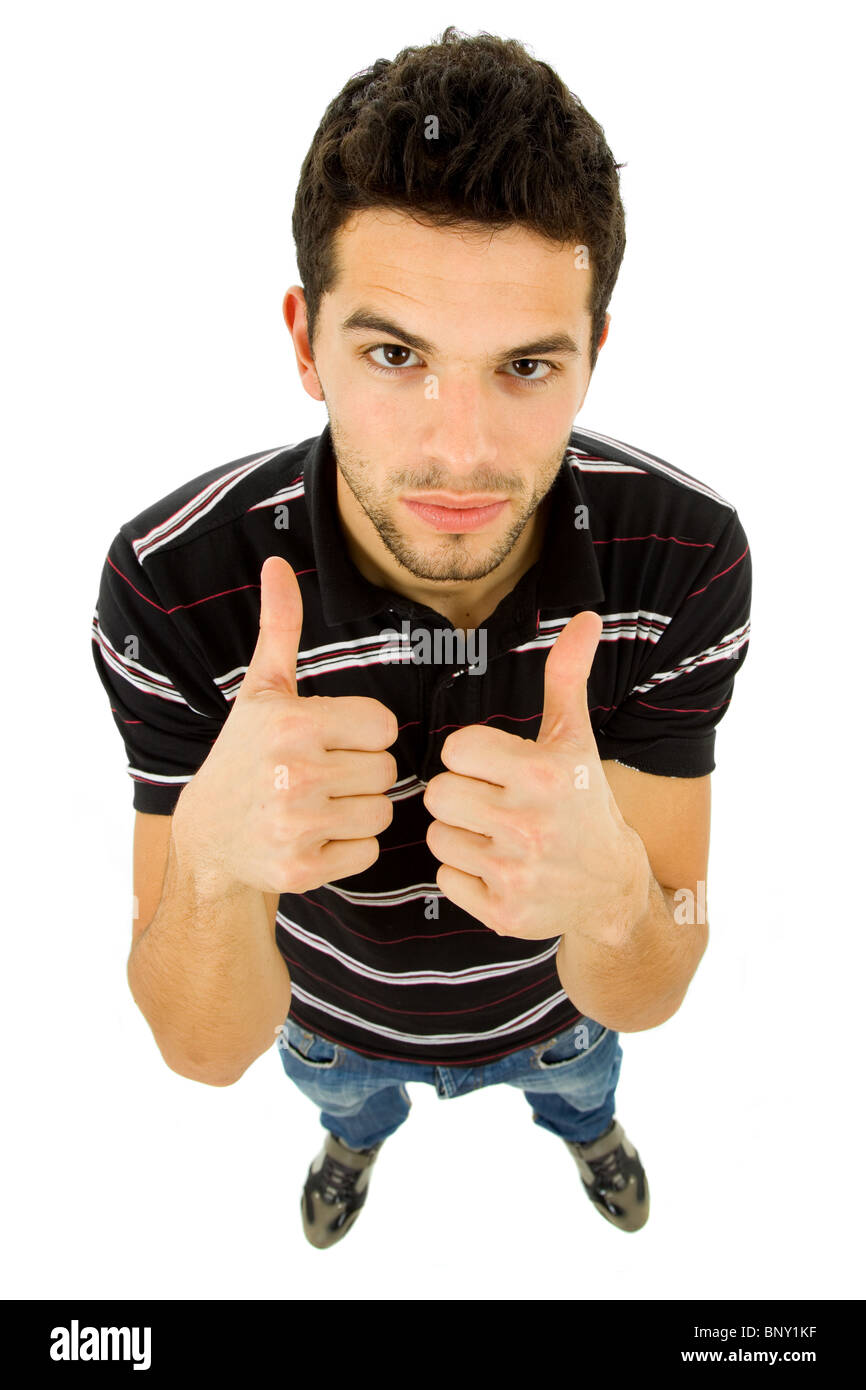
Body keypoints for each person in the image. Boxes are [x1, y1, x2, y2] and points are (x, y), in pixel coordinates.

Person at [91, 27, 752, 1250]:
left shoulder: (684, 555)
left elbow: (661, 960)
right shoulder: (172, 581)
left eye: (524, 365)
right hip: (325, 1024)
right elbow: (197, 1041)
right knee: (344, 1102)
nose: (457, 449)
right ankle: (353, 1141)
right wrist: (215, 866)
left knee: (586, 1089)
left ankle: (587, 1137)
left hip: (559, 1019)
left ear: (592, 356)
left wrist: (614, 898)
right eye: (393, 355)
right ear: (304, 342)